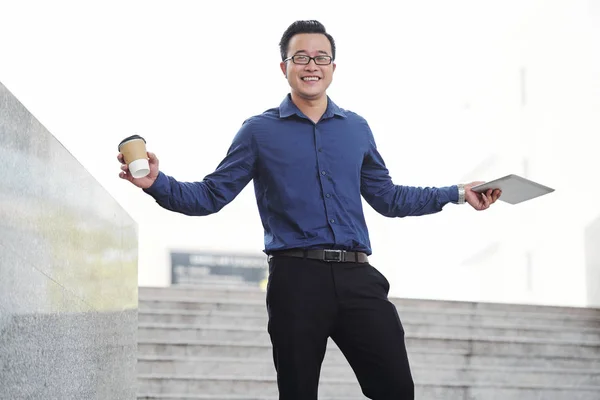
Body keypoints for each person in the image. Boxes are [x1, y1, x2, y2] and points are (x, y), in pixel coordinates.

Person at [118, 20, 501, 400]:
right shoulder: (258, 131)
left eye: (321, 57)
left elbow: (389, 198)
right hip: (296, 278)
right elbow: (210, 196)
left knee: (397, 389)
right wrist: (156, 182)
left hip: (357, 276)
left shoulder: (356, 129)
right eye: (300, 57)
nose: (311, 65)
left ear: (334, 67)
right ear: (283, 67)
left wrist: (457, 192)